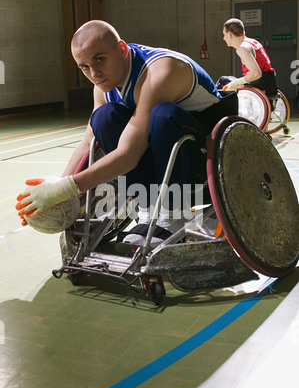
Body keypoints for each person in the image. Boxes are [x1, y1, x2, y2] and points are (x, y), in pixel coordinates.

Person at [16, 20, 237, 245]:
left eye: (99, 59)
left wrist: (66, 188)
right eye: (84, 67)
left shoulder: (159, 71)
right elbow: (88, 142)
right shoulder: (102, 86)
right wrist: (55, 191)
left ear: (122, 49)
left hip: (207, 157)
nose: (93, 73)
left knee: (162, 115)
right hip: (163, 155)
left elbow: (129, 155)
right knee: (103, 117)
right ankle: (149, 210)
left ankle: (172, 214)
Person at [219, 18, 278, 97]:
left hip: (261, 89)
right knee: (227, 80)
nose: (224, 38)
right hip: (270, 85)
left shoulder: (242, 48)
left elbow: (256, 73)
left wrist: (235, 83)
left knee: (223, 81)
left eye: (224, 35)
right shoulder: (252, 42)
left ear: (230, 34)